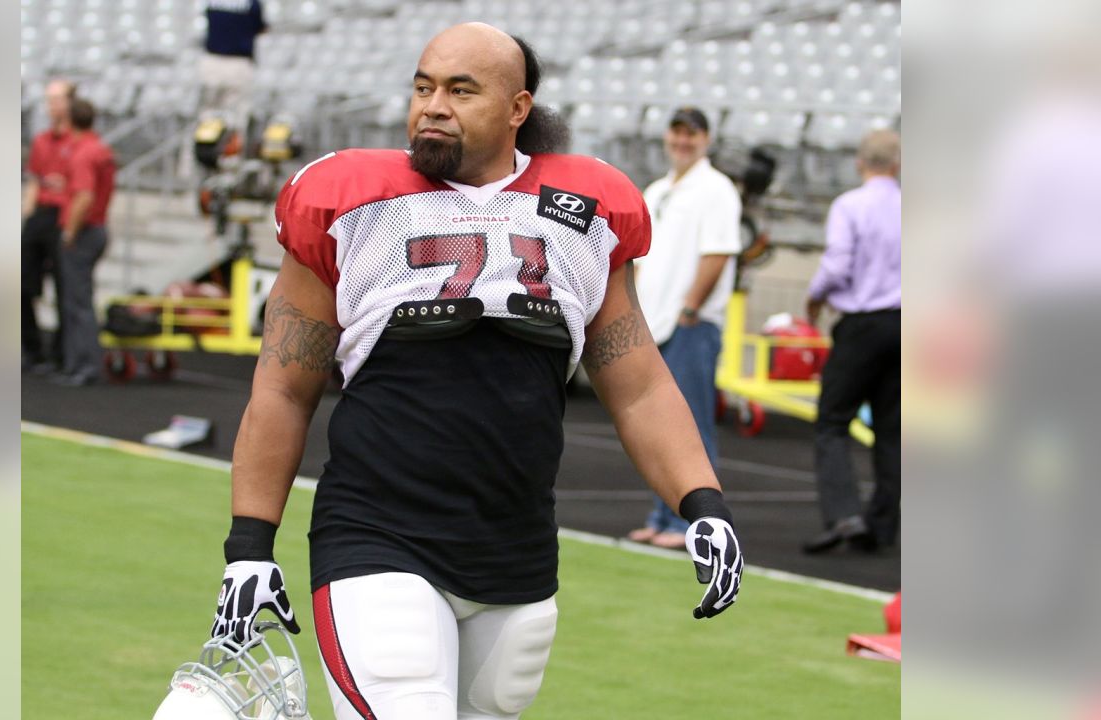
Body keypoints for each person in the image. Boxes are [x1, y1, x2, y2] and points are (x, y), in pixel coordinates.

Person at [207, 25, 743, 720]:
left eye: (461, 91)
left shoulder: (587, 212)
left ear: (518, 108)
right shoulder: (350, 202)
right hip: (379, 537)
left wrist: (702, 503)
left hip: (516, 552)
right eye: (424, 86)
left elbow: (637, 382)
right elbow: (283, 386)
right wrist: (249, 545)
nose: (433, 105)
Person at [626, 107, 742, 550]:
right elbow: (639, 263)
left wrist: (691, 308)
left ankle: (691, 528)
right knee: (659, 431)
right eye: (677, 133)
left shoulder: (716, 190)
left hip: (687, 324)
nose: (683, 141)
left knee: (690, 432)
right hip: (655, 324)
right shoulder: (658, 190)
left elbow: (717, 253)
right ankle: (663, 518)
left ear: (706, 139)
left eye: (692, 134)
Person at [801, 129, 901, 554]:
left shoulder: (850, 205)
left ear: (861, 163)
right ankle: (881, 528)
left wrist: (815, 296)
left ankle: (844, 515)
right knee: (893, 430)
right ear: (898, 166)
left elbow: (838, 264)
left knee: (832, 420)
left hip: (861, 323)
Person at [50, 98, 115, 387]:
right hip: (98, 226)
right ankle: (79, 362)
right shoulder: (99, 148)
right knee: (80, 300)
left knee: (77, 303)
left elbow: (84, 196)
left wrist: (68, 233)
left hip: (85, 230)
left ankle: (84, 365)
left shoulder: (82, 153)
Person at [22, 79, 75, 372]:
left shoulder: (78, 141)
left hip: (62, 215)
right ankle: (32, 348)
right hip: (40, 214)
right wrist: (28, 213)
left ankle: (60, 354)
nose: (51, 105)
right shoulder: (42, 141)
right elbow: (34, 179)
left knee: (65, 288)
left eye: (57, 99)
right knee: (21, 284)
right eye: (49, 100)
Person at [200, 0, 267, 137]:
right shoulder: (251, 3)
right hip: (239, 62)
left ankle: (198, 155)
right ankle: (230, 155)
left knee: (206, 113)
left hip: (212, 61)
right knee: (235, 116)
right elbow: (260, 28)